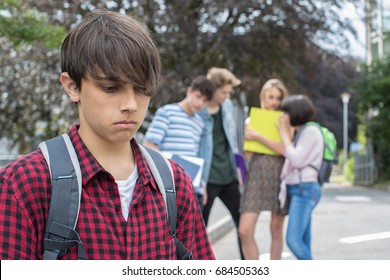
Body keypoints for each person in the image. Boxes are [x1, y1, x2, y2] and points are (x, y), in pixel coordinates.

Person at [0, 9, 215, 260]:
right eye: (111, 88)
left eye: (142, 88)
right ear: (72, 86)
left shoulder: (175, 184)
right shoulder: (23, 183)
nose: (131, 104)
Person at [143, 75, 215, 209]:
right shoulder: (167, 112)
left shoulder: (200, 123)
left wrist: (202, 185)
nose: (200, 103)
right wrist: (172, 169)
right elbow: (149, 145)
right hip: (169, 187)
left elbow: (196, 156)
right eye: (198, 96)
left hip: (192, 189)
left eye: (205, 101)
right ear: (189, 91)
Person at [239, 78, 289, 260]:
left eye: (278, 98)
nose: (274, 102)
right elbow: (248, 155)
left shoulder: (285, 121)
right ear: (263, 98)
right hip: (256, 175)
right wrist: (248, 137)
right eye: (270, 97)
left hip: (279, 175)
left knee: (275, 229)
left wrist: (258, 136)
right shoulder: (252, 120)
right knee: (244, 230)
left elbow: (284, 150)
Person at [198, 67, 245, 259]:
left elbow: (233, 143)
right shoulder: (199, 109)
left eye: (229, 93)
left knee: (243, 226)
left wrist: (240, 173)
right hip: (208, 179)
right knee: (199, 230)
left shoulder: (226, 107)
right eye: (224, 92)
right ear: (213, 89)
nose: (227, 96)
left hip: (228, 177)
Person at [277, 95, 323, 260]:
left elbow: (296, 160)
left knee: (293, 240)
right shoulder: (302, 132)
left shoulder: (310, 131)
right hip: (301, 189)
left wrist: (283, 135)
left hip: (304, 189)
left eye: (285, 112)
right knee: (304, 240)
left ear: (295, 113)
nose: (282, 117)